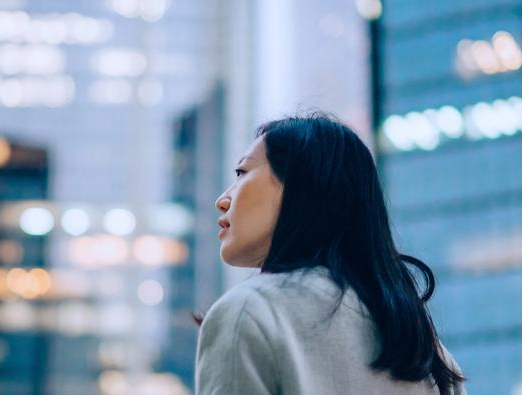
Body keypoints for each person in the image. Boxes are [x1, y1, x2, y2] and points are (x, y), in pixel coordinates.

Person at [195, 113, 466, 395]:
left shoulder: (249, 312)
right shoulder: (423, 347)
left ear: (300, 184)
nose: (222, 200)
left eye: (242, 173)